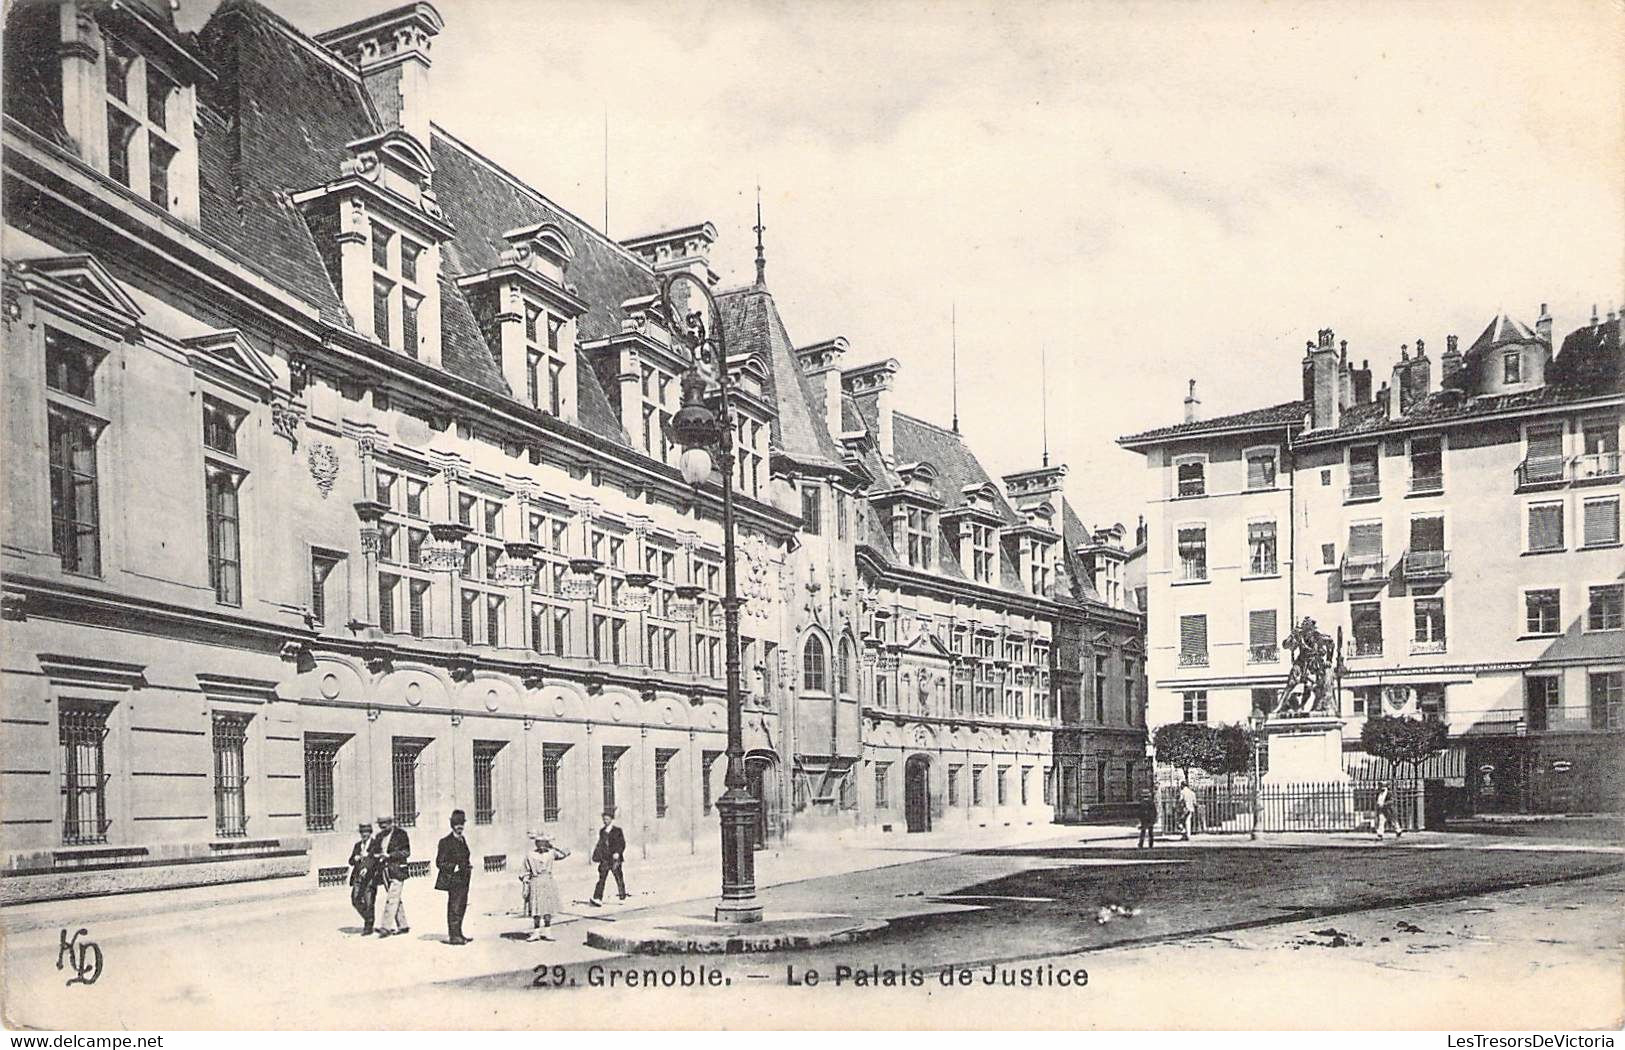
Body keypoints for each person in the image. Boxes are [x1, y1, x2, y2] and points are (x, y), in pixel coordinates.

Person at [519, 832, 571, 940]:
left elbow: (565, 853)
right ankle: (536, 932)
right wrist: (525, 883)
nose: (541, 845)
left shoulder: (551, 853)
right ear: (536, 843)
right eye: (539, 842)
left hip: (548, 881)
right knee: (536, 909)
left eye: (544, 842)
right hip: (536, 882)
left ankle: (548, 931)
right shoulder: (530, 855)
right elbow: (524, 870)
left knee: (548, 908)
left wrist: (553, 846)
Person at [435, 809, 473, 945]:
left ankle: (459, 933)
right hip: (453, 878)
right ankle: (454, 936)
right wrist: (454, 867)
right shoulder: (445, 841)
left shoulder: (463, 839)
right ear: (452, 825)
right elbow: (439, 862)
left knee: (462, 906)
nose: (459, 826)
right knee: (454, 907)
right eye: (457, 824)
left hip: (464, 878)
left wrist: (468, 867)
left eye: (461, 823)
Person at [369, 813, 411, 937]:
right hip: (384, 870)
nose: (382, 828)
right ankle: (403, 925)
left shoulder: (401, 834)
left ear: (391, 823)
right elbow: (374, 851)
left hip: (398, 870)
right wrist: (376, 856)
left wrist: (390, 856)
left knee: (391, 899)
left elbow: (406, 852)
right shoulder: (379, 836)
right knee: (394, 898)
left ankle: (385, 927)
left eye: (385, 825)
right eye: (381, 825)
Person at [588, 810, 627, 906]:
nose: (605, 821)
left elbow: (622, 843)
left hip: (614, 858)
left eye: (607, 819)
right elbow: (601, 844)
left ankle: (622, 896)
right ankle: (597, 898)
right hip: (605, 858)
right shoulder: (602, 831)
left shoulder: (617, 831)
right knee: (602, 878)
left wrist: (618, 852)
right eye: (604, 819)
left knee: (618, 877)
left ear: (611, 819)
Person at [347, 822, 377, 934]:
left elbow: (374, 860)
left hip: (370, 878)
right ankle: (368, 918)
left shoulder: (375, 844)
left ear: (370, 833)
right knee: (355, 899)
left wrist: (367, 868)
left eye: (366, 832)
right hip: (358, 877)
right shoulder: (357, 845)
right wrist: (355, 858)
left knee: (369, 902)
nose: (364, 834)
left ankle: (368, 926)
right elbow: (350, 861)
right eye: (362, 832)